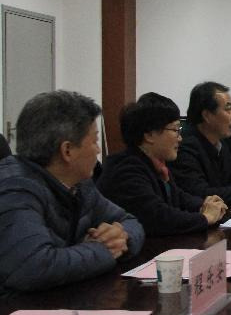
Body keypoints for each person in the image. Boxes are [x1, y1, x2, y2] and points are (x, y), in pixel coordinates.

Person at [0, 91, 144, 295]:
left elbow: (129, 221)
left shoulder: (80, 185)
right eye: (94, 141)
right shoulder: (15, 189)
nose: (98, 150)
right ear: (67, 150)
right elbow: (33, 267)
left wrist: (122, 237)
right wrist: (104, 250)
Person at [98, 93, 228, 236]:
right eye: (175, 130)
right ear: (149, 135)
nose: (180, 138)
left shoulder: (156, 164)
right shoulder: (126, 171)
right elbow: (159, 217)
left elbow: (179, 197)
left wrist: (205, 204)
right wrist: (206, 218)